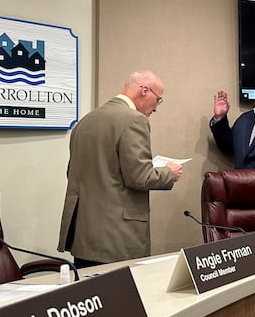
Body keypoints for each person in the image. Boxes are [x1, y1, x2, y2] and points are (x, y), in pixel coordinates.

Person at [58, 70, 184, 267]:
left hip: (83, 236)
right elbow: (140, 177)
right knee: (119, 296)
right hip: (117, 238)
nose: (156, 108)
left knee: (92, 295)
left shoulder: (84, 122)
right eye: (158, 100)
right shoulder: (135, 120)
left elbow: (72, 173)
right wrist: (169, 172)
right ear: (144, 91)